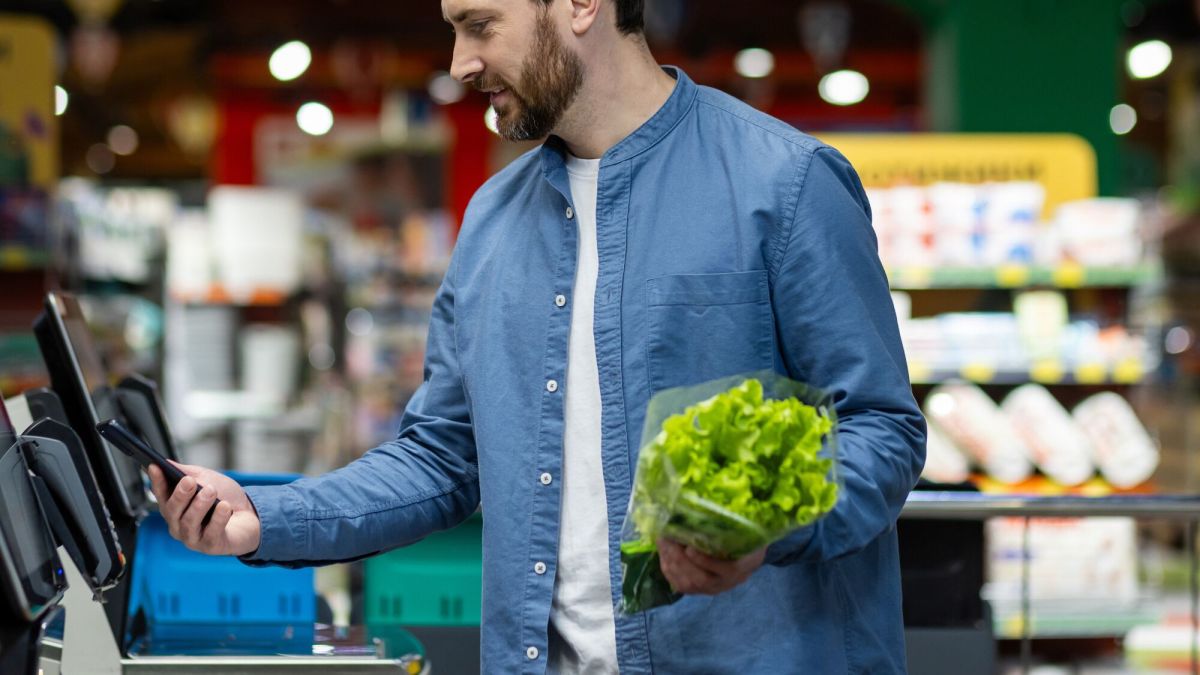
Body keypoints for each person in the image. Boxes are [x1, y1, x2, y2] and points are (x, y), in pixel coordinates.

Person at [149, 0, 927, 672]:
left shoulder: (784, 184)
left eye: (480, 24)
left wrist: (760, 521)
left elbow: (882, 430)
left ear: (581, 6)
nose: (459, 62)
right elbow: (442, 455)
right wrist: (264, 514)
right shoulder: (492, 220)